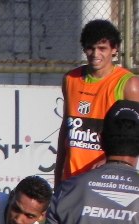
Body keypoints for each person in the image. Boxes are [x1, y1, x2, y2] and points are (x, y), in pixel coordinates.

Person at [54, 19, 139, 186]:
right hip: (72, 180)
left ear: (114, 50)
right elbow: (66, 129)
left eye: (102, 48)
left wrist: (110, 161)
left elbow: (135, 136)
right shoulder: (70, 79)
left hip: (106, 181)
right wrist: (58, 176)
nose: (95, 54)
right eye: (90, 48)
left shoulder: (129, 84)